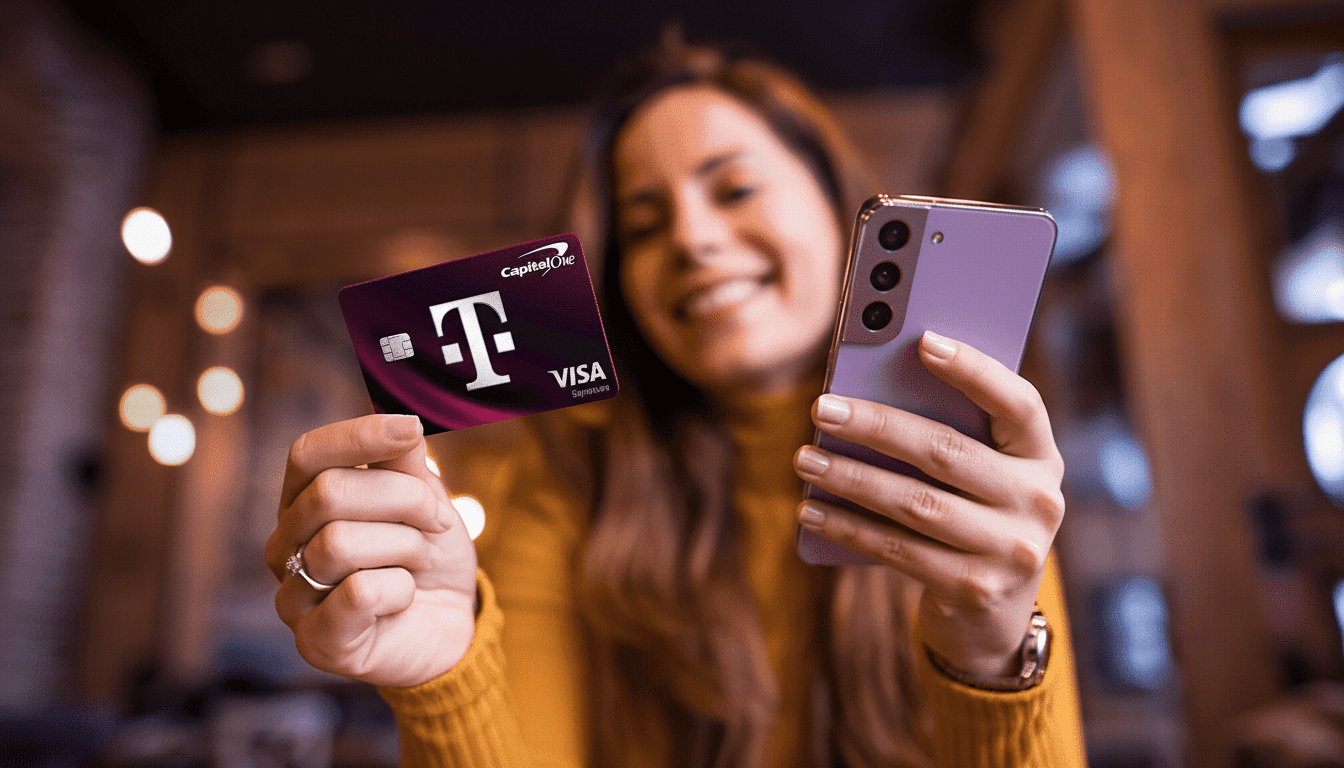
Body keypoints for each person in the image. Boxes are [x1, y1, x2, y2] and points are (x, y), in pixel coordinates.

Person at [265, 37, 1085, 768]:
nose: (690, 239)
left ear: (840, 211)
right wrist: (444, 678)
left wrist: (991, 659)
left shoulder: (965, 478)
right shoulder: (564, 490)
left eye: (733, 191)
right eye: (645, 223)